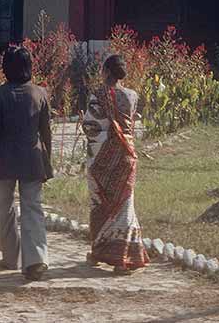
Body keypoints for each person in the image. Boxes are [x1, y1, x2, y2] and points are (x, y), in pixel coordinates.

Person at [0, 46, 53, 281]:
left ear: (6, 68)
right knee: (32, 207)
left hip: (4, 159)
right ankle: (35, 259)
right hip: (32, 159)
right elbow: (46, 133)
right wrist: (48, 163)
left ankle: (10, 255)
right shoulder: (41, 93)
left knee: (5, 207)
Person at [82, 54, 148, 274]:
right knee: (124, 205)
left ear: (107, 71)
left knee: (99, 203)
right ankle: (122, 259)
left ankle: (99, 251)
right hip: (127, 157)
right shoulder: (132, 96)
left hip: (101, 158)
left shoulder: (98, 95)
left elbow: (90, 126)